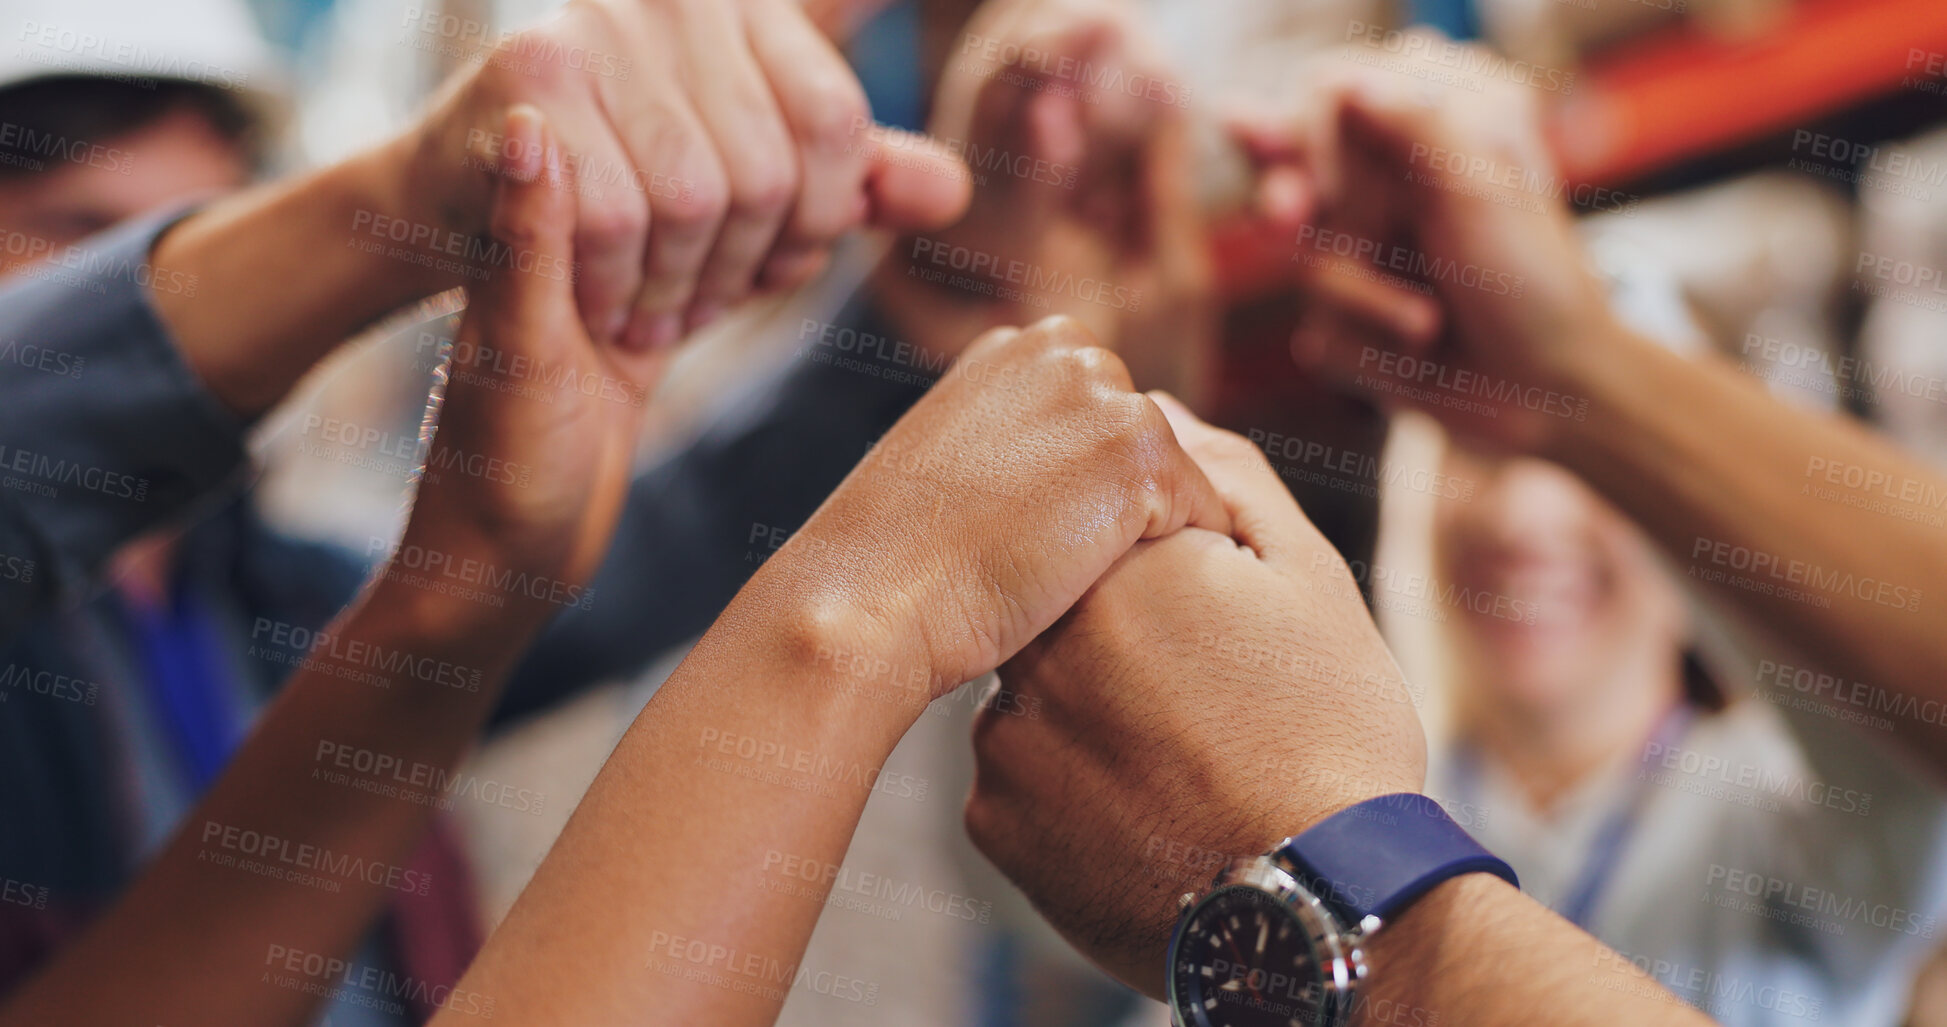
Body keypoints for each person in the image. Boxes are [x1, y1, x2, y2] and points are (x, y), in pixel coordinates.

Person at [1422, 439, 1947, 1026]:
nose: (1521, 514)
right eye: (1478, 450)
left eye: (1597, 469)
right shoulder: (1380, 799)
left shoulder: (1790, 805)